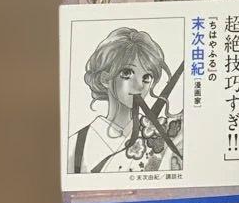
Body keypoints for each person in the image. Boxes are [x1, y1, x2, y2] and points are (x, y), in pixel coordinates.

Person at [67, 27, 183, 175]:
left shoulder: (164, 135)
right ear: (105, 79)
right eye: (127, 73)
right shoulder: (75, 144)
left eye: (146, 77)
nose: (139, 85)